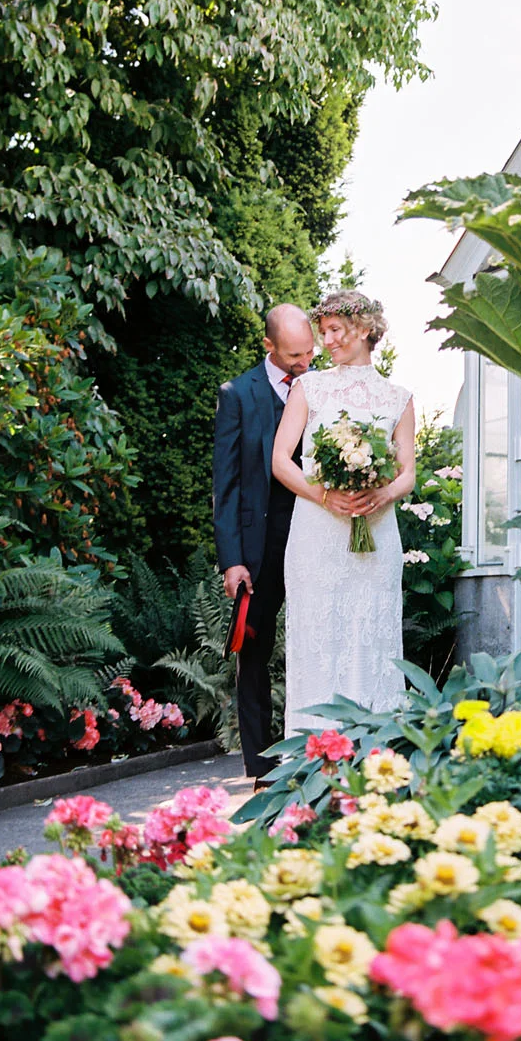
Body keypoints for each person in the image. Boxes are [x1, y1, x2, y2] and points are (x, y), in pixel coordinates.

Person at [271, 290, 416, 734]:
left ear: (366, 330)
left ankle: (374, 756)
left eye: (336, 330)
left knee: (371, 639)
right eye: (324, 331)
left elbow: (408, 472)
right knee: (318, 642)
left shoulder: (399, 397)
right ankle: (313, 759)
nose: (327, 340)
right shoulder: (307, 388)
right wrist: (323, 496)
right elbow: (281, 461)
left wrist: (384, 493)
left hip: (376, 537)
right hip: (318, 535)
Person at [212, 304, 317, 785]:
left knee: (318, 643)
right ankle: (261, 768)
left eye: (310, 351)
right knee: (252, 653)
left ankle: (318, 748)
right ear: (269, 347)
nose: (305, 363)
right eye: (295, 355)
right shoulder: (237, 394)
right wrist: (232, 561)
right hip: (259, 548)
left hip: (317, 537)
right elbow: (226, 484)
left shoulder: (323, 389)